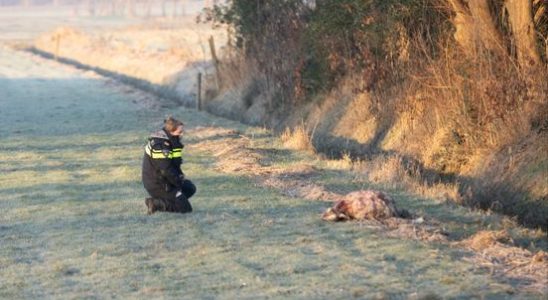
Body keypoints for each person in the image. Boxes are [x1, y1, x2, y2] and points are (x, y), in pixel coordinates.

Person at [142, 116, 196, 214]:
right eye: (180, 132)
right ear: (171, 131)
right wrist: (177, 183)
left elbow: (175, 163)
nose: (182, 134)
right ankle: (155, 203)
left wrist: (180, 176)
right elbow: (166, 169)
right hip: (158, 184)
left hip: (165, 180)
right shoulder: (161, 146)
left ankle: (171, 199)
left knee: (190, 188)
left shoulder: (172, 140)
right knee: (186, 209)